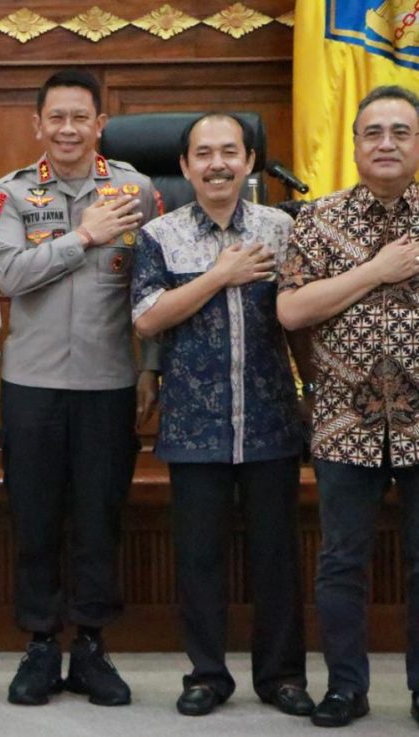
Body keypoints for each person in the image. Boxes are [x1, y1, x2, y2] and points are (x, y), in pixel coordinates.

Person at [0, 68, 160, 707]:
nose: (67, 129)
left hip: (110, 380)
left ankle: (90, 643)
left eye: (79, 117)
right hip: (31, 383)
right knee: (33, 517)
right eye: (55, 117)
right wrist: (83, 236)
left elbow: (156, 286)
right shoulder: (11, 195)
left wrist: (152, 368)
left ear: (99, 125)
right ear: (38, 125)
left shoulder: (136, 190)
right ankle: (38, 643)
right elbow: (6, 275)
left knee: (97, 517)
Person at [131, 113, 315, 717]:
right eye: (203, 153)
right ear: (184, 166)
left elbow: (300, 325)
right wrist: (220, 275)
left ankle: (282, 676)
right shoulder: (160, 234)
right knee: (200, 558)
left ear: (250, 160)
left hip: (269, 420)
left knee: (276, 557)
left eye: (229, 152)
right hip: (194, 425)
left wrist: (314, 391)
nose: (217, 163)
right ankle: (206, 674)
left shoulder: (280, 229)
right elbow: (147, 319)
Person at [278, 85, 419, 729]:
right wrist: (377, 270)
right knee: (341, 561)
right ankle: (345, 689)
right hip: (343, 422)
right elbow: (292, 310)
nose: (386, 143)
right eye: (373, 133)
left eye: (400, 132)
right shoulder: (317, 219)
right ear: (355, 143)